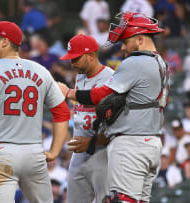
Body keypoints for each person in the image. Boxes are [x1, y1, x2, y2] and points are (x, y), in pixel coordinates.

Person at [59, 12, 168, 202]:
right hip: (151, 141)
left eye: (126, 41)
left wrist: (68, 93)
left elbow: (100, 95)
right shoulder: (160, 62)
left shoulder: (135, 62)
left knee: (121, 199)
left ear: (140, 39)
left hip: (131, 143)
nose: (123, 47)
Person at [0, 21, 70, 202]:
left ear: (4, 42)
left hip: (1, 153)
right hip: (34, 153)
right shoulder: (40, 70)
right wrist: (54, 152)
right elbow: (62, 113)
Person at [59, 34, 113, 203]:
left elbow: (117, 126)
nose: (72, 63)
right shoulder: (80, 76)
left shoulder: (110, 78)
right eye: (70, 59)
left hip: (103, 152)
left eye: (76, 59)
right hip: (79, 153)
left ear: (91, 56)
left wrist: (92, 141)